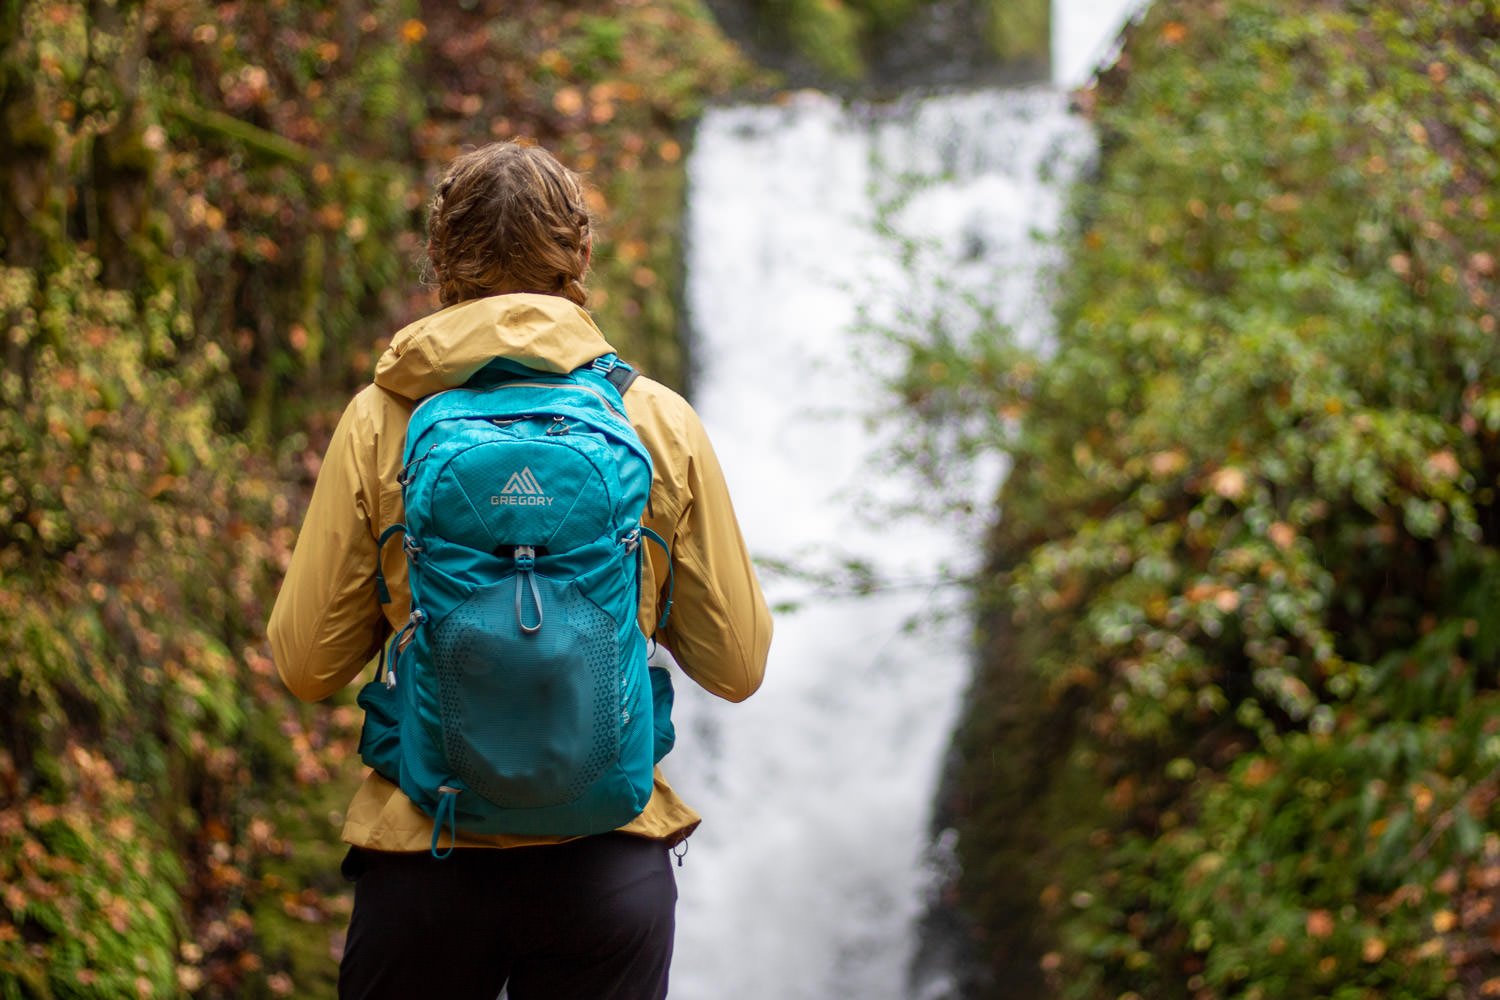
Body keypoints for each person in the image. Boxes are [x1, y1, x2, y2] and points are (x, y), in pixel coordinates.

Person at [267, 140, 773, 1000]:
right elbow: (736, 666)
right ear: (580, 254)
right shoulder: (652, 420)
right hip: (607, 865)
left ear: (438, 258)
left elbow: (307, 664)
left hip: (425, 857)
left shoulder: (380, 420)